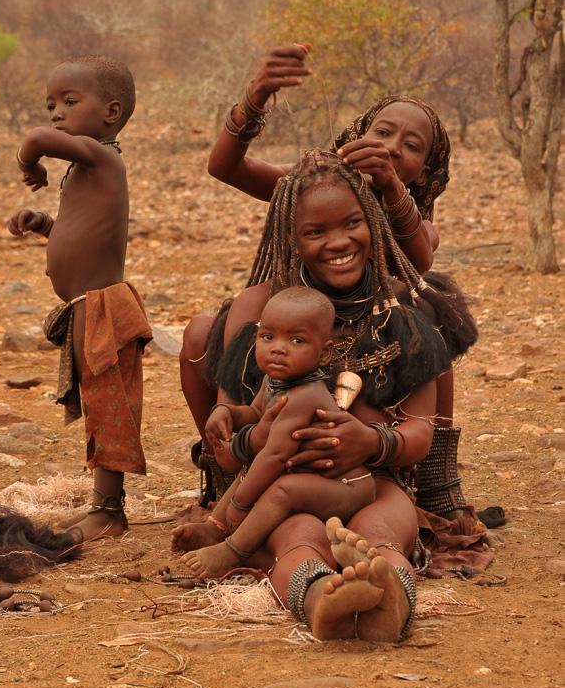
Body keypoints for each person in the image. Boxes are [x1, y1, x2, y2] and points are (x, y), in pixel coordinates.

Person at [175, 148, 484, 641]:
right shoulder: (266, 313)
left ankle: (390, 604)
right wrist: (256, 441)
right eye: (315, 232)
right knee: (299, 539)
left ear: (373, 224)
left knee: (382, 534)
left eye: (352, 223)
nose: (337, 242)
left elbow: (421, 431)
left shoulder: (400, 312)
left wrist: (372, 442)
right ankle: (321, 601)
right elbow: (232, 441)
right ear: (290, 239)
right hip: (282, 487)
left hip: (374, 478)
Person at [181, 44, 469, 520]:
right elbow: (224, 167)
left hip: (366, 350)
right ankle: (228, 476)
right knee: (208, 328)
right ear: (357, 134)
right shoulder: (310, 185)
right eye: (383, 131)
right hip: (298, 328)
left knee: (428, 322)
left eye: (412, 146)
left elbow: (419, 262)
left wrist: (392, 191)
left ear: (423, 172)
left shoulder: (409, 215)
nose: (394, 146)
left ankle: (437, 483)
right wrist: (256, 98)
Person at [7, 55, 152, 542]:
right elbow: (83, 233)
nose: (56, 113)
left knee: (111, 409)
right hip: (87, 309)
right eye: (51, 104)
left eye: (70, 101)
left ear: (110, 111)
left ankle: (109, 512)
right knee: (100, 408)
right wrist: (43, 223)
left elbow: (36, 140)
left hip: (105, 310)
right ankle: (102, 505)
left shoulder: (102, 156)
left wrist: (30, 163)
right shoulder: (85, 170)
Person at [178, 287, 376, 578]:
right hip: (310, 474)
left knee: (281, 489)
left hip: (347, 487)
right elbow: (256, 414)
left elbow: (274, 456)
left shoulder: (305, 394)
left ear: (324, 354)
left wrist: (240, 503)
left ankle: (233, 551)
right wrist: (227, 412)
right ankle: (214, 529)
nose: (277, 348)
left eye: (296, 340)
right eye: (267, 337)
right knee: (254, 472)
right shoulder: (275, 379)